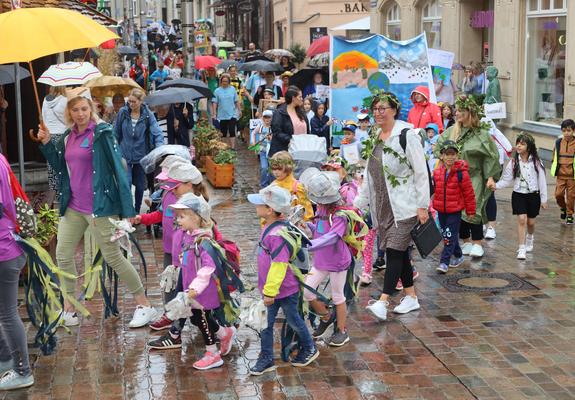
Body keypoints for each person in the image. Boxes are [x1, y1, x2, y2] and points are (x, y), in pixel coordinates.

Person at [37, 95, 157, 328]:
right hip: (73, 206)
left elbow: (119, 170)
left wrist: (127, 209)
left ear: (91, 109)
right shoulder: (69, 136)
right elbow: (60, 164)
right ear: (69, 113)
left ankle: (145, 305)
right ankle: (69, 308)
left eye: (84, 109)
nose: (80, 114)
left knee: (113, 257)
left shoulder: (101, 133)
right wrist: (47, 142)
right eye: (75, 110)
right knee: (62, 254)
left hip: (99, 207)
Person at [356, 92, 430, 322]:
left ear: (395, 110)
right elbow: (370, 175)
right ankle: (411, 297)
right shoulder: (374, 136)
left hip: (405, 205)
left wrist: (422, 205)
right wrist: (359, 204)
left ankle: (383, 301)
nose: (378, 112)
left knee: (394, 251)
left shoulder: (407, 135)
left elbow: (421, 173)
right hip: (383, 206)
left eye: (383, 108)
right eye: (375, 108)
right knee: (398, 253)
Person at [247, 185, 319, 375]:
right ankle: (267, 357)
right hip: (274, 288)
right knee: (266, 323)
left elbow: (279, 265)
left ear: (270, 210)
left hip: (282, 289)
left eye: (259, 204)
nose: (256, 207)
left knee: (294, 320)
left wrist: (270, 292)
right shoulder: (272, 227)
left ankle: (309, 347)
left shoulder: (276, 235)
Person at [161, 193, 236, 370]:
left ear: (196, 217)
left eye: (182, 216)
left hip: (202, 291)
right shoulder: (188, 235)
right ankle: (225, 334)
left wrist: (194, 288)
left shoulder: (203, 241)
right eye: (177, 216)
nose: (178, 220)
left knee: (202, 320)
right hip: (191, 289)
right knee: (197, 318)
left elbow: (207, 268)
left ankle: (212, 353)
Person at [434, 95, 501, 258]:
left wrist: (491, 177)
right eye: (456, 110)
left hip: (474, 176)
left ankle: (477, 242)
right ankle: (466, 241)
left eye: (461, 111)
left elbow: (490, 156)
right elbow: (438, 148)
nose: (456, 113)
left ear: (470, 113)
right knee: (458, 209)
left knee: (474, 207)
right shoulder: (452, 132)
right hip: (454, 177)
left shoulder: (482, 134)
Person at [299, 169, 352, 346]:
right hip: (321, 260)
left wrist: (311, 245)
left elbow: (333, 237)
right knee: (307, 291)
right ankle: (326, 317)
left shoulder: (340, 214)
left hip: (337, 262)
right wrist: (306, 227)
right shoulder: (321, 209)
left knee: (338, 297)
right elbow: (319, 229)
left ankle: (342, 331)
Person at [0, 154, 34, 390]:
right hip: (9, 245)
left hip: (4, 250)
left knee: (8, 314)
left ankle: (23, 372)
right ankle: (5, 360)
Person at [492, 133, 547, 259]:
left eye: (522, 144)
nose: (519, 146)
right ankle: (521, 248)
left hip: (533, 195)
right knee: (522, 219)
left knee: (531, 222)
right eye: (518, 143)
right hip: (518, 194)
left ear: (529, 147)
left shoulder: (537, 162)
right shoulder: (513, 162)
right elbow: (507, 179)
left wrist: (543, 199)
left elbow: (542, 181)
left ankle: (530, 237)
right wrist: (496, 185)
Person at [115, 88, 163, 213]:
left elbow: (157, 133)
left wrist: (160, 149)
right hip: (124, 154)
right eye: (129, 101)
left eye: (134, 102)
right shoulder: (123, 112)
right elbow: (115, 133)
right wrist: (115, 149)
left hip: (141, 156)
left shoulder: (148, 115)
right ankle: (128, 210)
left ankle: (136, 210)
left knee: (141, 186)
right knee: (127, 182)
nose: (131, 104)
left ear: (141, 101)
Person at [432, 141, 476, 273]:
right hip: (441, 210)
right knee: (447, 234)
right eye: (447, 154)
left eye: (453, 154)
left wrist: (470, 210)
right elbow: (434, 190)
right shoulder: (437, 172)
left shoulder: (461, 173)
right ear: (442, 156)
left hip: (454, 210)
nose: (450, 157)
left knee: (449, 235)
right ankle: (458, 255)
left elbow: (469, 193)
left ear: (457, 155)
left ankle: (444, 262)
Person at [269, 151, 314, 221]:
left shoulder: (297, 187)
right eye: (274, 169)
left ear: (288, 168)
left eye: (279, 169)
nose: (276, 172)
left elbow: (307, 212)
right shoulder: (273, 185)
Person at [269, 86, 309, 157]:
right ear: (293, 98)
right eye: (300, 97)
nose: (302, 99)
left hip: (301, 150)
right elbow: (276, 132)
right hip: (284, 153)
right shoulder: (279, 112)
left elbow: (308, 131)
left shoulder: (301, 112)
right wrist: (291, 139)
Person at [41, 86, 68, 191]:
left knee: (51, 166)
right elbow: (68, 120)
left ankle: (53, 192)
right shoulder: (64, 100)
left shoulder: (45, 100)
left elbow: (43, 117)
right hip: (62, 135)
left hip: (49, 136)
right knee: (62, 166)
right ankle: (63, 191)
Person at [551, 119, 575, 224]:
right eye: (564, 131)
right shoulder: (558, 142)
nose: (566, 133)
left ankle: (570, 214)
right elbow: (554, 156)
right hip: (560, 175)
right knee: (558, 195)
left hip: (572, 175)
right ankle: (563, 207)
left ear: (573, 131)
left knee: (571, 196)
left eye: (569, 130)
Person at [212, 73, 242, 149]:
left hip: (232, 113)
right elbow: (215, 102)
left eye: (226, 81)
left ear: (229, 82)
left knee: (232, 130)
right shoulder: (217, 91)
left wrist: (239, 110)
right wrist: (214, 113)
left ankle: (232, 147)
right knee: (223, 132)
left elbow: (236, 100)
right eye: (223, 81)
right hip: (222, 115)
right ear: (221, 82)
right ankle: (224, 147)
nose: (224, 83)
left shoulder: (232, 89)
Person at [251, 109, 274, 188]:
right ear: (263, 118)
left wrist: (272, 139)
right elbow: (253, 133)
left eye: (269, 117)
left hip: (272, 152)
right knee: (264, 168)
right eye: (265, 117)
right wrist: (253, 142)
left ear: (272, 118)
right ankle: (264, 185)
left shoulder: (273, 128)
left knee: (272, 169)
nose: (267, 119)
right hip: (263, 151)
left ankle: (271, 184)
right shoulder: (260, 126)